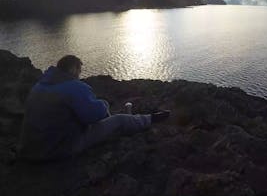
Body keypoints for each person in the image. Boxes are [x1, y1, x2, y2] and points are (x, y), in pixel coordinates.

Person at [18, 55, 169, 161]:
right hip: (58, 150)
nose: (79, 75)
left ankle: (127, 121)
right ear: (73, 69)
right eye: (79, 71)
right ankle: (150, 119)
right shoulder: (74, 87)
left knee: (93, 111)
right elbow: (95, 116)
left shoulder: (39, 86)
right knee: (117, 119)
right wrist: (103, 105)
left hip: (30, 149)